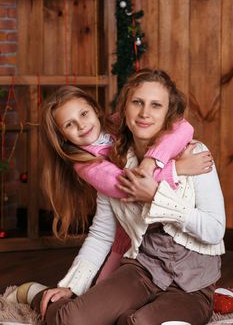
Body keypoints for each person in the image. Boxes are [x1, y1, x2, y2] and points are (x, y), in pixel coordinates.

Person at [8, 69, 222, 324]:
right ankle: (36, 294)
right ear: (124, 109)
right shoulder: (109, 164)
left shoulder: (194, 153)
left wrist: (156, 186)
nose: (145, 113)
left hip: (193, 283)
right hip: (142, 268)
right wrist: (72, 286)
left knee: (136, 322)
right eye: (137, 103)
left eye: (156, 105)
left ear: (168, 113)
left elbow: (214, 230)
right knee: (71, 319)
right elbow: (102, 233)